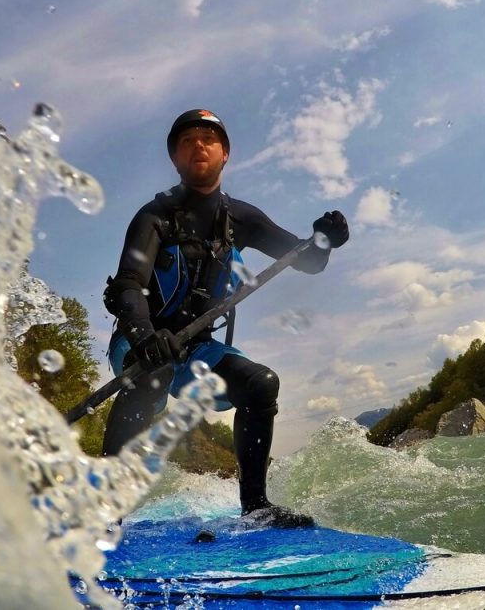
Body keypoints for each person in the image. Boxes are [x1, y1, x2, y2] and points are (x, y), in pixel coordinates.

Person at [102, 109, 348, 527]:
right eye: (187, 141)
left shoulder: (241, 219)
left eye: (208, 138)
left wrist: (325, 242)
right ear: (176, 159)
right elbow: (127, 286)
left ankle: (256, 507)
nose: (198, 144)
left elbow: (306, 261)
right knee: (153, 374)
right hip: (140, 341)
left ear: (225, 154)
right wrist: (146, 337)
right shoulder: (154, 217)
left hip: (199, 349)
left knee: (260, 384)